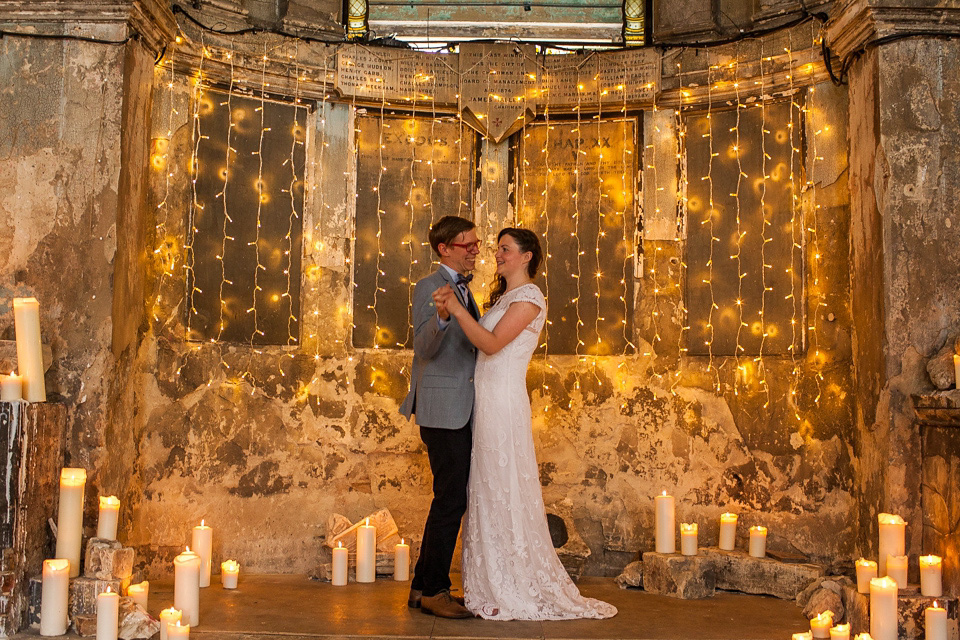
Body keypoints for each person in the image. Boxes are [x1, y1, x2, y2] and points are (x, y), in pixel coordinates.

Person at [433, 227, 617, 621]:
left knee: (504, 485)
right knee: (484, 486)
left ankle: (514, 581)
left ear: (527, 256)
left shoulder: (530, 297)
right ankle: (488, 581)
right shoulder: (503, 297)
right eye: (498, 249)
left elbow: (492, 344)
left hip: (502, 402)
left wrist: (458, 310)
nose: (497, 255)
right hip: (484, 402)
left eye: (505, 249)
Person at [399, 215, 481, 619]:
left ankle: (421, 587)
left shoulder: (467, 290)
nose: (476, 250)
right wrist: (443, 318)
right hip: (443, 410)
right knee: (452, 499)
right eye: (468, 245)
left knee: (448, 497)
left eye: (477, 244)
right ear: (444, 248)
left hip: (459, 406)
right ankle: (435, 589)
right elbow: (423, 348)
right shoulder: (428, 287)